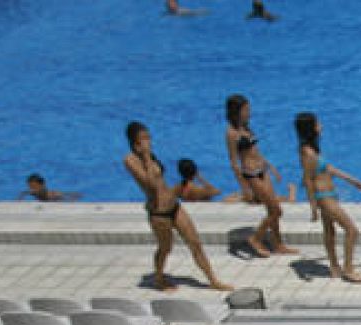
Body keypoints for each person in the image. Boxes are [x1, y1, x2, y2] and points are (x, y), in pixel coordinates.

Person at [120, 122, 231, 293]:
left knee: (195, 243)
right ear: (134, 141)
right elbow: (150, 184)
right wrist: (147, 155)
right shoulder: (131, 160)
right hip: (159, 213)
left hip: (174, 207)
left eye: (149, 137)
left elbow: (161, 183)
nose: (148, 141)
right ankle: (158, 278)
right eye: (144, 138)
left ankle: (213, 280)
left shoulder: (149, 157)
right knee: (165, 248)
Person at [297, 112, 361, 284]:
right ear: (311, 128)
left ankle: (335, 267)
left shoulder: (313, 149)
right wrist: (313, 208)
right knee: (352, 230)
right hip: (324, 197)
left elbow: (329, 169)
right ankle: (348, 270)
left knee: (330, 231)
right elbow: (307, 180)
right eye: (318, 124)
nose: (321, 126)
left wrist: (352, 180)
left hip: (330, 194)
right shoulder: (307, 152)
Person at [225, 94, 295, 259]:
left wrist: (270, 166)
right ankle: (255, 239)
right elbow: (234, 162)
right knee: (277, 211)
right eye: (246, 110)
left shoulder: (246, 127)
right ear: (237, 111)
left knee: (272, 208)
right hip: (252, 175)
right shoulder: (231, 133)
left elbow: (254, 151)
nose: (249, 112)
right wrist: (245, 188)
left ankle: (277, 244)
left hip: (263, 170)